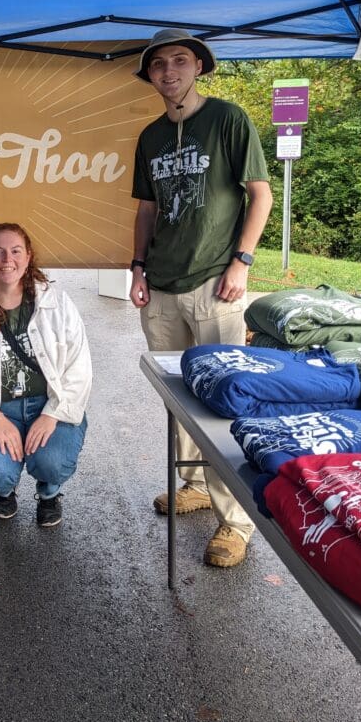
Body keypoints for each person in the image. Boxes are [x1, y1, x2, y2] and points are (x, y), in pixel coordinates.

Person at [130, 28, 273, 567]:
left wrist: (243, 261)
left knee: (222, 404)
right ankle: (191, 485)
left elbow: (260, 193)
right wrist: (138, 267)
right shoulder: (148, 136)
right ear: (151, 76)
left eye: (180, 61)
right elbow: (146, 209)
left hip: (216, 283)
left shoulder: (228, 120)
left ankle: (235, 522)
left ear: (198, 68)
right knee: (179, 400)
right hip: (162, 286)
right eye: (160, 64)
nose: (170, 71)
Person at [0, 223, 91, 528]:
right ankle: (5, 489)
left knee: (52, 462)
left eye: (15, 251)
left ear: (28, 257)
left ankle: (50, 493)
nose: (6, 259)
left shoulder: (56, 303)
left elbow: (79, 368)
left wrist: (52, 415)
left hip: (49, 404)